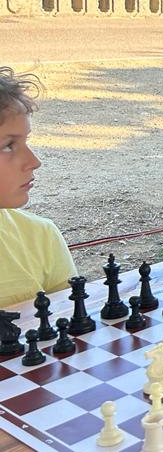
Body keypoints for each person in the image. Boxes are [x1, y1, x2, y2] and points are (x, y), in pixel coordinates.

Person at [0, 67, 77, 308]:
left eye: (26, 141)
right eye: (8, 146)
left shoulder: (41, 236)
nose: (34, 162)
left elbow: (70, 324)